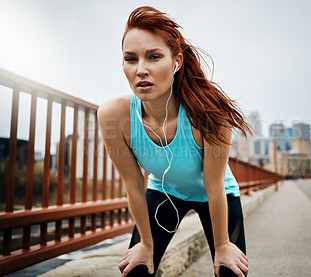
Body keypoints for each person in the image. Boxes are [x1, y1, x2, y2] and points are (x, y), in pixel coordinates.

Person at [97, 6, 252, 277]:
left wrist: (223, 245)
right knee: (135, 270)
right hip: (164, 191)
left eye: (154, 57)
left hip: (216, 193)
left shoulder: (208, 113)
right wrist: (146, 244)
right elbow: (133, 184)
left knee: (231, 271)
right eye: (130, 59)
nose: (141, 70)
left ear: (176, 62)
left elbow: (213, 184)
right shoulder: (114, 115)